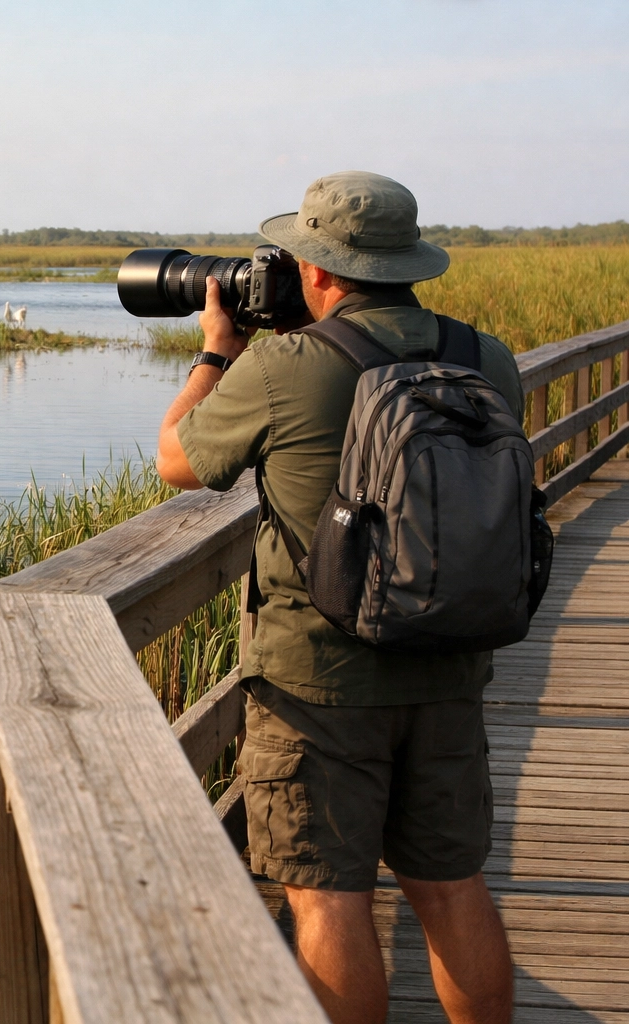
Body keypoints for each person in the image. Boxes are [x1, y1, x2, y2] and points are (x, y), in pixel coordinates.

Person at [155, 171, 519, 1024]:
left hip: (317, 684)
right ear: (410, 264)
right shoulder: (484, 356)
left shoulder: (287, 365)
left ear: (318, 270)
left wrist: (218, 348)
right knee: (452, 887)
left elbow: (179, 460)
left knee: (328, 900)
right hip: (450, 663)